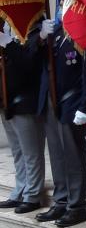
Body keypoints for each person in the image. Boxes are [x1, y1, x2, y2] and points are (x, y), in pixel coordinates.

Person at [35, 13, 86, 227]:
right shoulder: (55, 34)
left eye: (68, 4)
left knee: (73, 156)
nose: (63, 9)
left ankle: (76, 206)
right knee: (57, 155)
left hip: (73, 104)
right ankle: (61, 199)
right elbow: (37, 61)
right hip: (52, 102)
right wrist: (40, 38)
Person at [0, 21, 46, 213]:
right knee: (17, 151)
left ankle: (33, 195)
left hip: (25, 102)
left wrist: (8, 44)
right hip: (6, 101)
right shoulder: (6, 30)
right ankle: (20, 190)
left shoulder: (33, 33)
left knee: (31, 152)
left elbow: (27, 66)